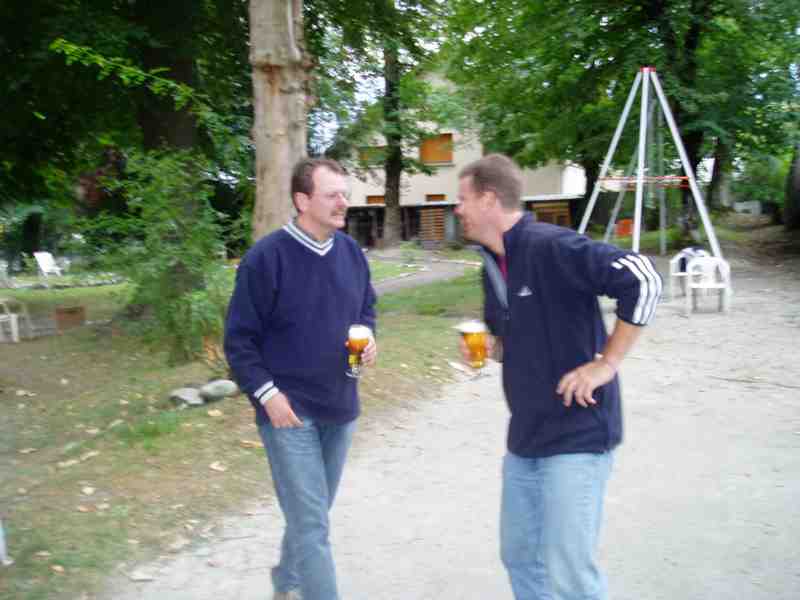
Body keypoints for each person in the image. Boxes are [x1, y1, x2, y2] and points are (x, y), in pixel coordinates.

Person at [455, 154, 662, 600]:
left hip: (577, 436)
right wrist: (494, 349)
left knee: (569, 573)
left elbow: (644, 279)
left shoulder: (552, 245)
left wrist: (606, 363)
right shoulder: (493, 264)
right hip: (526, 438)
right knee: (521, 558)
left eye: (462, 199)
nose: (457, 209)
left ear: (489, 199)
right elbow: (519, 334)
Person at [224, 157, 377, 600]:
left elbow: (366, 308)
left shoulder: (350, 253)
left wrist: (369, 337)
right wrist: (268, 397)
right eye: (332, 194)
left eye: (344, 194)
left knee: (313, 516)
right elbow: (239, 341)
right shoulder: (265, 259)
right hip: (288, 413)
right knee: (311, 524)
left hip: (341, 406)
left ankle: (286, 583)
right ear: (301, 200)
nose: (343, 202)